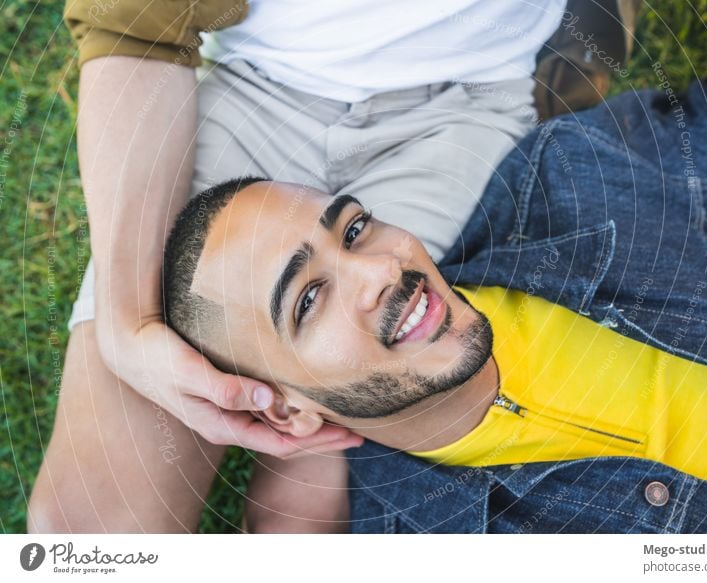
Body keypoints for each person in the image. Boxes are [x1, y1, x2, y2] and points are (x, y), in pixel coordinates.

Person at [161, 0, 707, 534]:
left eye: (354, 229)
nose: (381, 268)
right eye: (306, 300)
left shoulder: (568, 179)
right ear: (288, 413)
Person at [34, 0, 642, 532]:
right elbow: (135, 26)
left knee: (298, 517)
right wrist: (124, 321)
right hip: (257, 83)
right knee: (87, 528)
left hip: (469, 101)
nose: (380, 275)